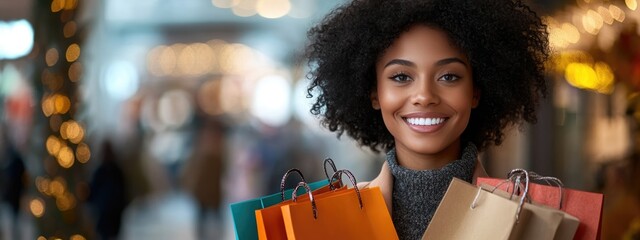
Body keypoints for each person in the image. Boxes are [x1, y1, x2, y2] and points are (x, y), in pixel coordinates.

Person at [305, 0, 549, 238]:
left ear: (475, 92)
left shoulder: (534, 221)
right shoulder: (327, 222)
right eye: (401, 77)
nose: (424, 96)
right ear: (374, 94)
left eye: (449, 77)